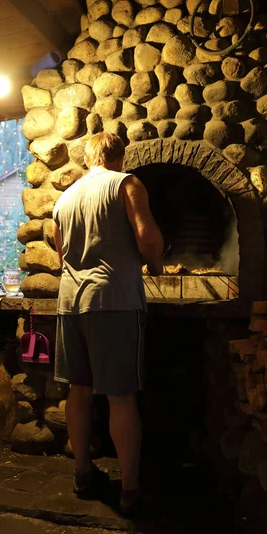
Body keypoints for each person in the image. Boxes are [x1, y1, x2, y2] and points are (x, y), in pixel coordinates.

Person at [52, 132, 164, 514]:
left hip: (70, 303)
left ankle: (83, 473)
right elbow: (147, 238)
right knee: (120, 396)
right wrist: (157, 262)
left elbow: (60, 252)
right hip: (113, 301)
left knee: (78, 390)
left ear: (88, 159)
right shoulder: (126, 183)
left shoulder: (65, 198)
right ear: (119, 157)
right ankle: (130, 490)